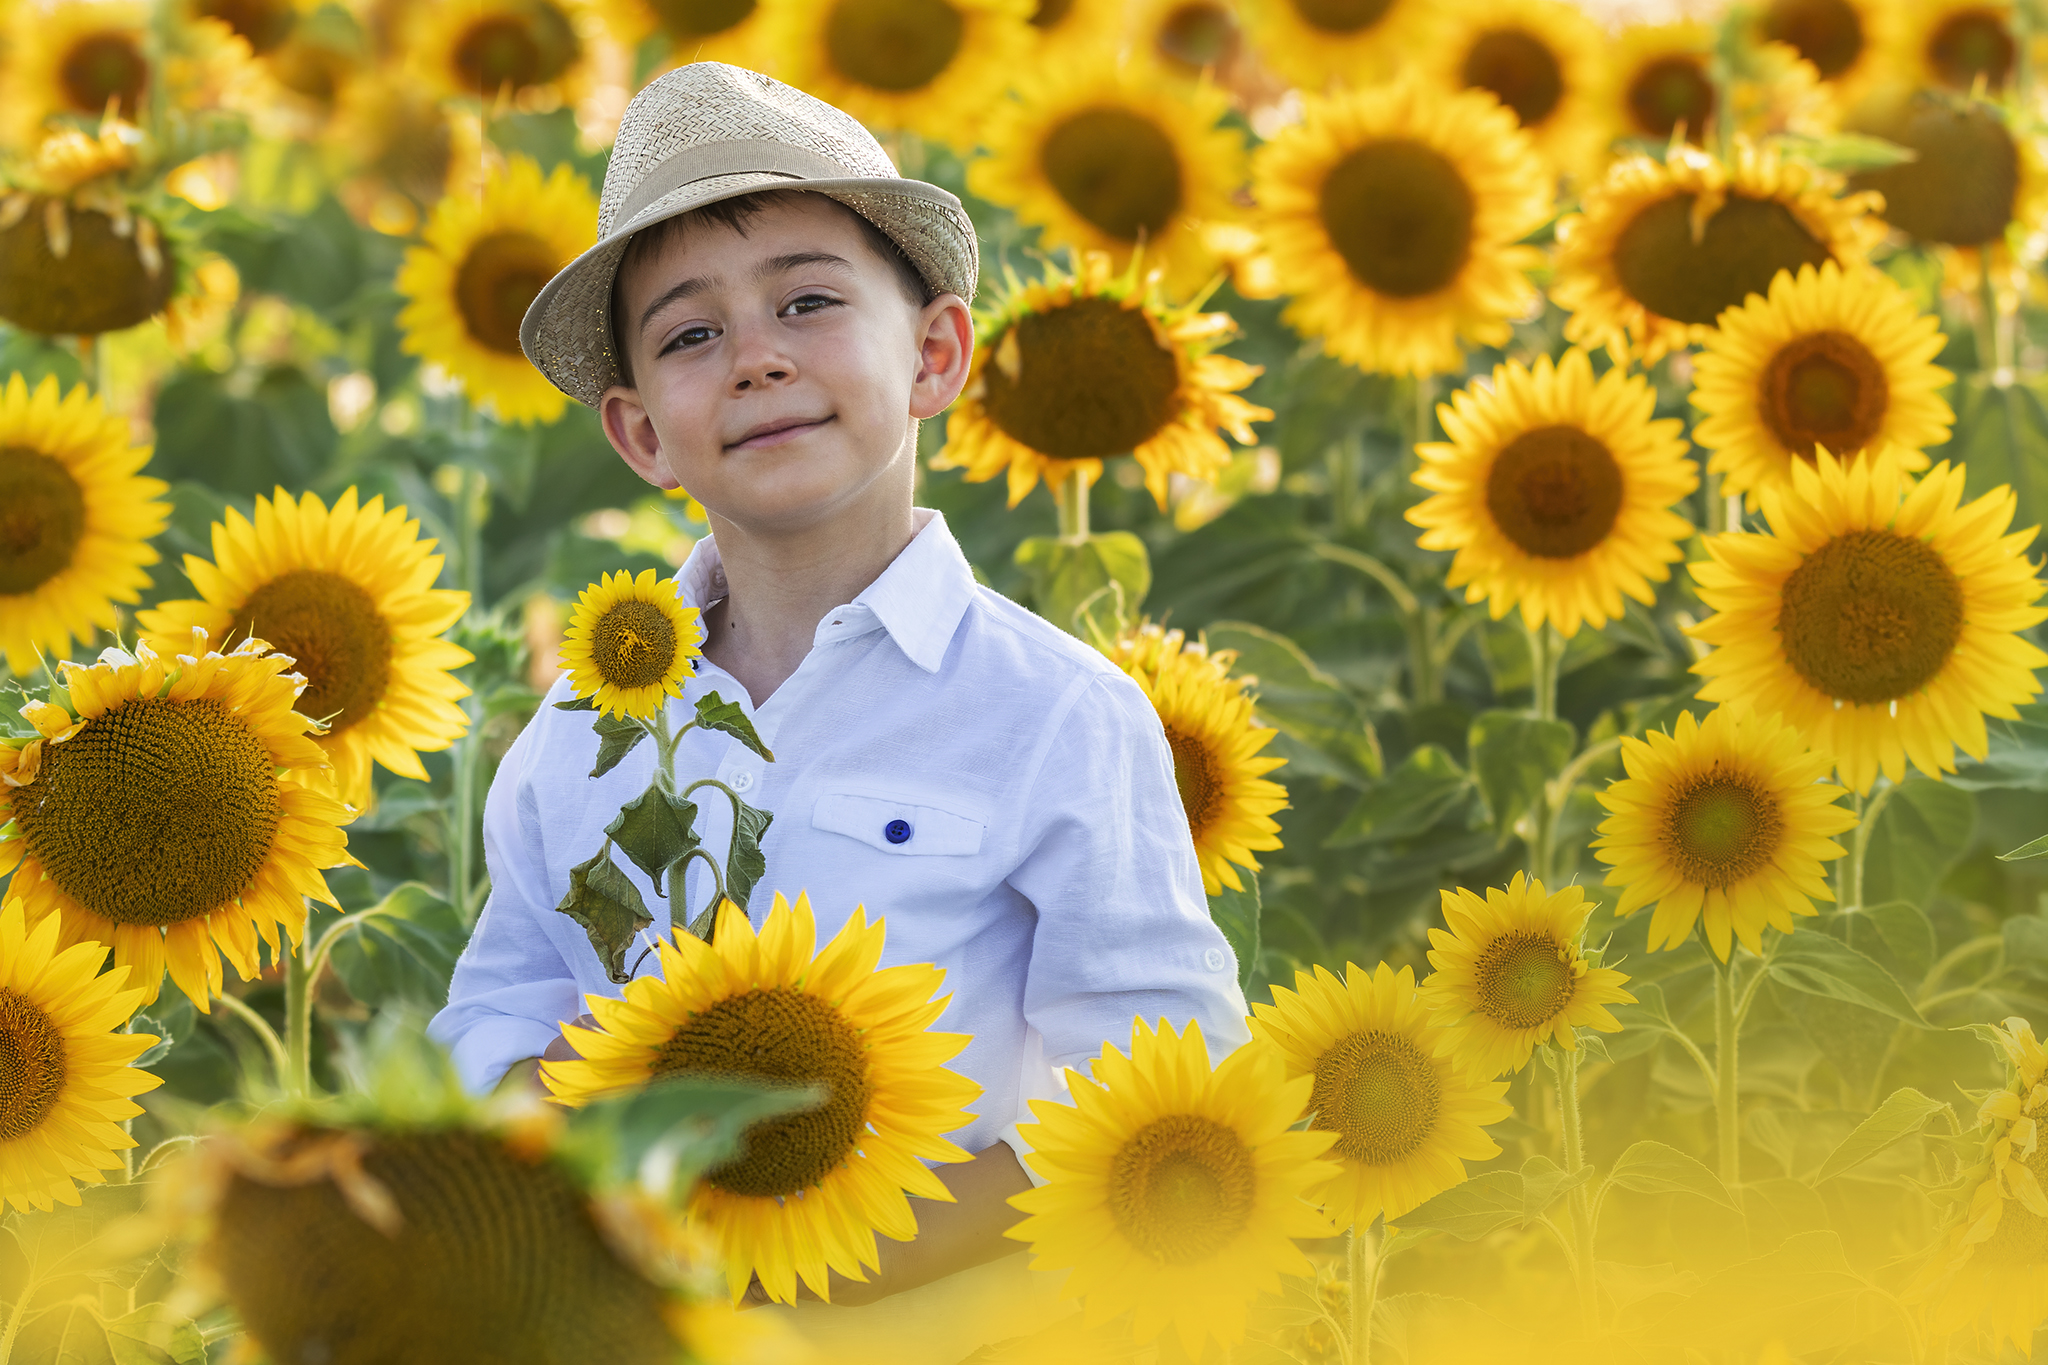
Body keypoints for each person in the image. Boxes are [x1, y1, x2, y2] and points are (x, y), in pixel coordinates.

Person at [427, 61, 1251, 1357]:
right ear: (642, 433)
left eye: (808, 301)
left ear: (932, 353)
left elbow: (1158, 1097)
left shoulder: (1055, 715)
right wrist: (573, 1132)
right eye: (692, 334)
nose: (756, 357)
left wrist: (840, 1250)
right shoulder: (575, 738)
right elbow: (496, 1015)